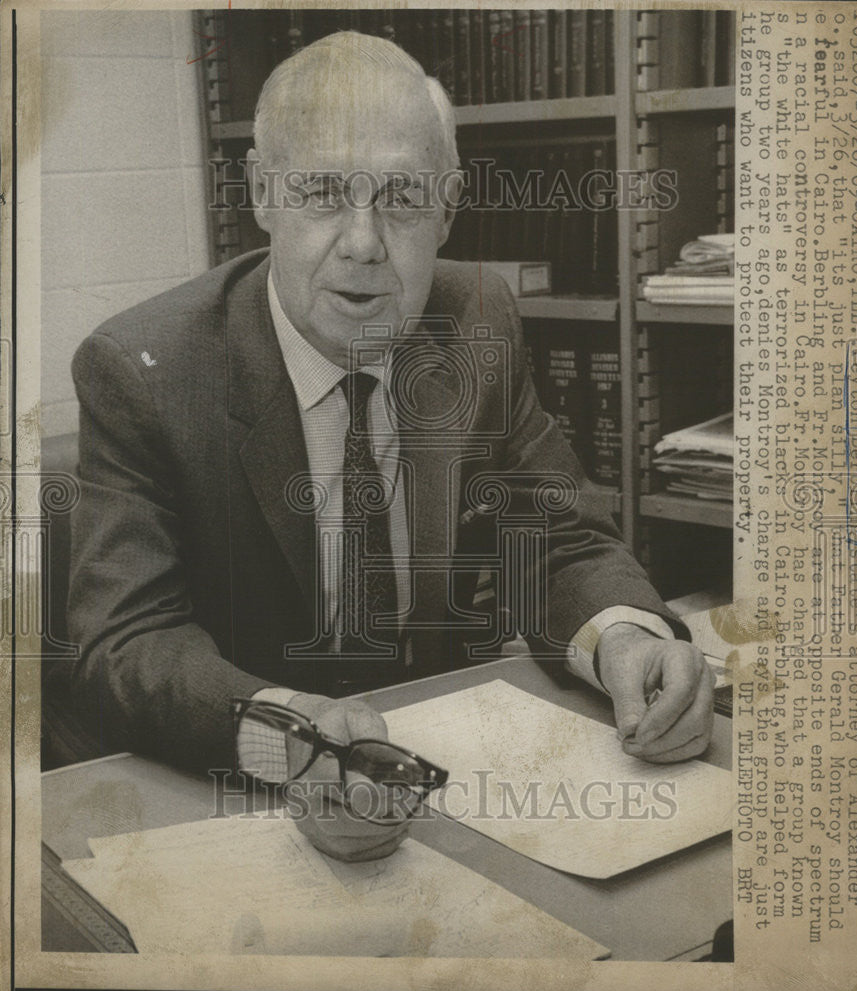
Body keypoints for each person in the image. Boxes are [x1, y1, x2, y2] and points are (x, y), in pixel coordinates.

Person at [60, 31, 714, 862]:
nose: (364, 242)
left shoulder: (475, 315)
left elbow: (551, 537)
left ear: (447, 206)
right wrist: (294, 738)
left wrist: (624, 638)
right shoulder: (143, 370)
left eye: (402, 197)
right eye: (324, 192)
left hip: (439, 786)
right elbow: (127, 641)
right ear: (262, 193)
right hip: (216, 801)